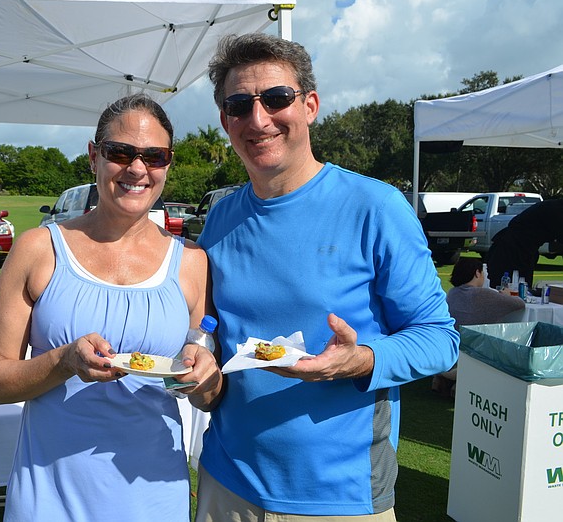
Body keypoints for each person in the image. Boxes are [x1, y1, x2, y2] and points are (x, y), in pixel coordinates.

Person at [193, 33, 460, 520]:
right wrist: (199, 350)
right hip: (226, 481)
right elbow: (212, 324)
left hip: (339, 495)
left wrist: (356, 361)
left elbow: (439, 339)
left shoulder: (374, 207)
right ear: (225, 120)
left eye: (276, 99)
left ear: (310, 105)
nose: (258, 120)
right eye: (238, 105)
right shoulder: (221, 218)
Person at [0, 94, 221, 521]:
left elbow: (204, 394)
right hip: (50, 494)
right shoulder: (39, 249)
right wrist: (64, 360)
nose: (137, 168)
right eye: (120, 152)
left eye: (154, 156)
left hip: (152, 493)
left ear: (168, 163)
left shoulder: (192, 262)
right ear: (94, 156)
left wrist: (203, 377)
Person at [432, 256, 525, 395]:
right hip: (472, 351)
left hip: (450, 348)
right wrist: (507, 294)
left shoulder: (452, 293)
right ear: (477, 273)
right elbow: (519, 304)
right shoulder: (483, 294)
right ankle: (462, 376)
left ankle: (448, 376)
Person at [487, 199, 563, 289]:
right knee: (504, 287)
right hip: (510, 249)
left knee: (523, 287)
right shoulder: (557, 210)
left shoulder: (554, 206)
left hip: (526, 250)